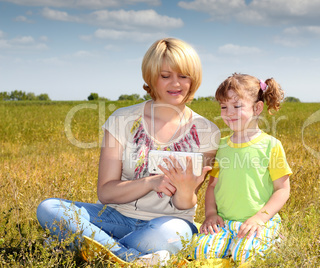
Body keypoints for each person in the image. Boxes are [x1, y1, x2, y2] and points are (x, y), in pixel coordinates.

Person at [36, 37, 221, 264]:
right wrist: (151, 182)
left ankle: (95, 248)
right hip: (115, 217)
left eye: (183, 76)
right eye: (166, 76)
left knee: (173, 234)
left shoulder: (206, 130)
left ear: (194, 79)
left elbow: (186, 204)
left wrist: (184, 189)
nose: (176, 84)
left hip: (167, 223)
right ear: (151, 78)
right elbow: (106, 192)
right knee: (49, 209)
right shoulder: (122, 119)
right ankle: (131, 257)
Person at [192, 73, 292, 264]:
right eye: (224, 107)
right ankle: (231, 243)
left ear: (257, 108)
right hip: (225, 221)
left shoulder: (271, 145)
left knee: (245, 256)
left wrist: (260, 218)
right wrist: (211, 214)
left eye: (237, 106)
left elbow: (282, 189)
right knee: (201, 252)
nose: (229, 112)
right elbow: (212, 186)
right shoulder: (220, 146)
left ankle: (273, 238)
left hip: (258, 221)